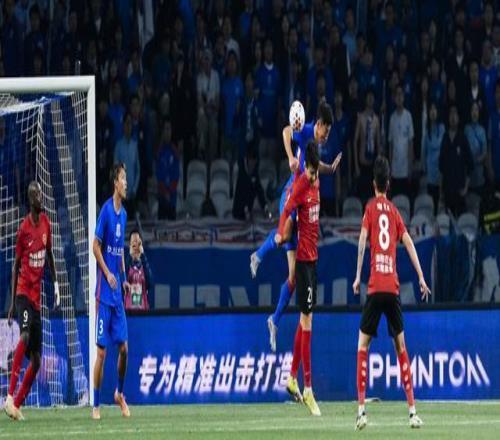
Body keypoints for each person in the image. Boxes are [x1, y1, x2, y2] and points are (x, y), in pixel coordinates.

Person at [250, 100, 341, 352]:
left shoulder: (315, 144)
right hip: (292, 193)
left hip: (301, 201)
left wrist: (330, 169)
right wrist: (290, 157)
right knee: (283, 235)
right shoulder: (306, 130)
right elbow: (285, 131)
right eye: (326, 131)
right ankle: (258, 255)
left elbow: (313, 167)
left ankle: (274, 320)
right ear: (319, 125)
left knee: (292, 276)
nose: (326, 136)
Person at [352, 156, 430, 430]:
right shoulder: (395, 212)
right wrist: (421, 276)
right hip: (392, 288)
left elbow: (362, 240)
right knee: (401, 349)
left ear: (373, 184)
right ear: (389, 184)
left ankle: (361, 412)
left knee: (363, 347)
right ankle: (412, 412)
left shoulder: (370, 208)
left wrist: (358, 276)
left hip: (375, 287)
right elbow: (408, 243)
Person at [5, 182, 59, 421]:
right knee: (24, 335)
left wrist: (56, 285)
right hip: (23, 294)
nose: (40, 197)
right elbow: (15, 266)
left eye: (40, 193)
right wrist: (11, 304)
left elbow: (49, 255)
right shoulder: (23, 230)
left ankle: (16, 405)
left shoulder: (46, 223)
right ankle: (9, 396)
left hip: (37, 299)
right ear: (30, 200)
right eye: (36, 195)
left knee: (36, 360)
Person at [275, 141, 321, 416]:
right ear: (306, 168)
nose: (314, 177)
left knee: (305, 320)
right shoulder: (302, 183)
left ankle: (292, 377)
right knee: (307, 321)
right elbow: (287, 210)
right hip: (303, 261)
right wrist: (281, 233)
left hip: (313, 260)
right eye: (311, 172)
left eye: (316, 172)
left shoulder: (316, 181)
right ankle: (308, 388)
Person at [92, 163, 131, 420]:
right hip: (103, 295)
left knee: (124, 349)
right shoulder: (106, 211)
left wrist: (123, 278)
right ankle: (96, 405)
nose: (126, 183)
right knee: (102, 353)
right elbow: (95, 246)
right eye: (123, 178)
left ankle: (119, 393)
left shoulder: (124, 215)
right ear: (115, 183)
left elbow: (120, 252)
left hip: (117, 296)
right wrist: (107, 273)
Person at [439, 105, 473, 217]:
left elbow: (470, 165)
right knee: (448, 222)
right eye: (451, 114)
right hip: (447, 191)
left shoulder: (463, 138)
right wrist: (441, 191)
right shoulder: (445, 138)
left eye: (455, 114)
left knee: (461, 222)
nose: (453, 117)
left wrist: (466, 188)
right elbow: (441, 166)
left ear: (458, 118)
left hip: (460, 191)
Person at [388, 85, 415, 198]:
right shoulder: (392, 118)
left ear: (404, 97)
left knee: (405, 200)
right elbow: (390, 144)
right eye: (397, 95)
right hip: (394, 169)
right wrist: (389, 169)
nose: (399, 97)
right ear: (394, 98)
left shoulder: (408, 116)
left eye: (401, 94)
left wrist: (410, 167)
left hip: (405, 168)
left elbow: (411, 143)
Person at [125, 230, 153, 311]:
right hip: (128, 311)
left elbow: (150, 283)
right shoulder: (126, 265)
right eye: (133, 243)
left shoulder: (145, 265)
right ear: (130, 245)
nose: (136, 247)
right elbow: (122, 282)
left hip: (143, 311)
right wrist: (129, 256)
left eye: (138, 243)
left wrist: (143, 255)